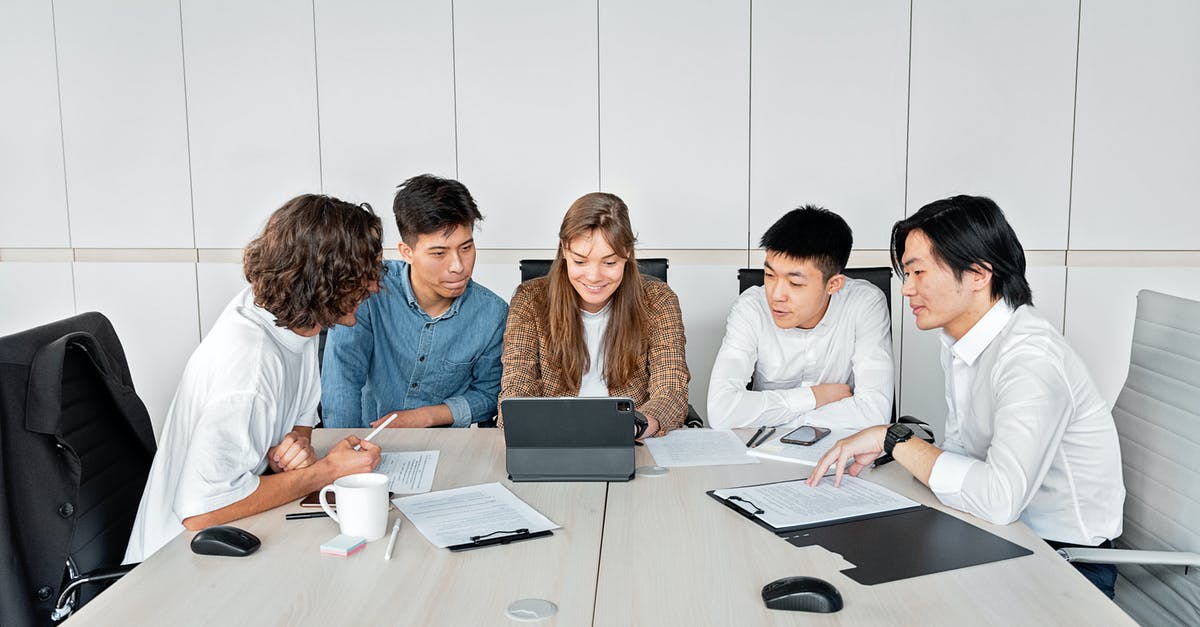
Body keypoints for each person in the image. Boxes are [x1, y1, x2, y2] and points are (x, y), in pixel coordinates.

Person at [807, 195, 1124, 598]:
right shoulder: (962, 341)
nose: (906, 290)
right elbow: (961, 455)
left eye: (918, 272)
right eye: (907, 273)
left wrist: (894, 439)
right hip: (998, 536)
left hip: (1067, 566)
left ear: (978, 273)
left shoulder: (1030, 360)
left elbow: (1000, 499)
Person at [124, 195, 385, 563]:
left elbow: (300, 419)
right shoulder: (250, 362)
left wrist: (295, 444)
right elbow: (201, 510)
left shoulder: (292, 317)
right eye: (361, 276)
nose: (373, 287)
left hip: (234, 535)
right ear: (323, 281)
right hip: (175, 561)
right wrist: (326, 471)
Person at [321, 175, 508, 429]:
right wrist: (345, 451)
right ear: (406, 252)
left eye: (466, 248)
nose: (458, 266)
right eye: (439, 253)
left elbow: (489, 395)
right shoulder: (367, 293)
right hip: (367, 441)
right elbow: (341, 382)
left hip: (448, 448)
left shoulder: (492, 313)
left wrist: (427, 416)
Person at [498, 192, 689, 438]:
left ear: (628, 253)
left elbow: (671, 391)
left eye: (609, 263)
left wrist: (632, 426)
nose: (594, 276)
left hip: (633, 440)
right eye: (580, 262)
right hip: (554, 440)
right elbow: (516, 392)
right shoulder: (530, 301)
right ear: (564, 251)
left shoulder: (659, 301)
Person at [707, 206, 893, 430]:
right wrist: (815, 397)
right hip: (763, 453)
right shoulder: (751, 309)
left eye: (795, 283)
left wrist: (788, 421)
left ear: (833, 284)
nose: (775, 295)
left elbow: (875, 412)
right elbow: (721, 411)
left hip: (842, 452)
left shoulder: (865, 305)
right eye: (769, 275)